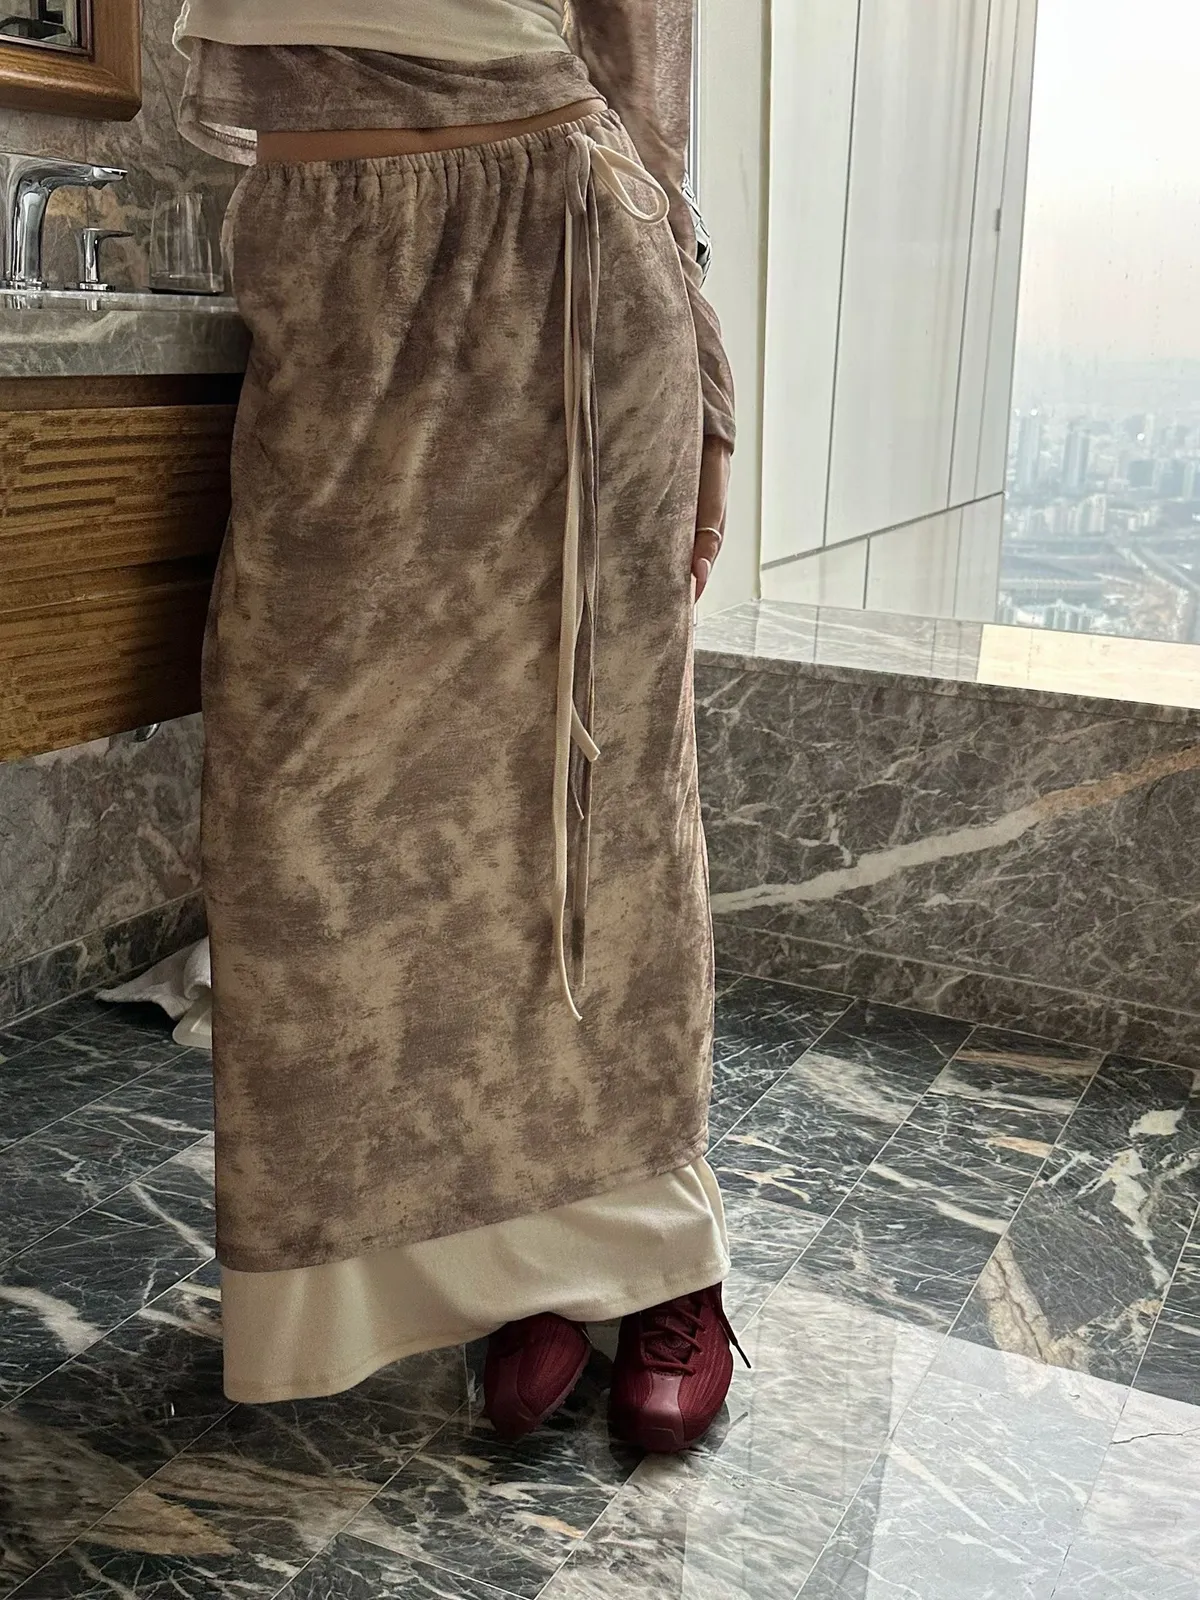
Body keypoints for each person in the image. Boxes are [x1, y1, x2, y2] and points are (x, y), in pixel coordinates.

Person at [173, 0, 739, 1453]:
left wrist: (710, 385)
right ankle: (500, 1256)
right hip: (329, 250)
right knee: (302, 820)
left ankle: (654, 1258)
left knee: (594, 802)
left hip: (557, 250)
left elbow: (645, 69)